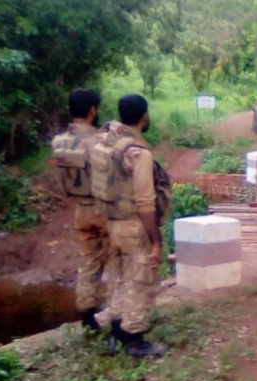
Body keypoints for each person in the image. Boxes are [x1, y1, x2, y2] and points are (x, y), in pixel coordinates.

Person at [91, 94, 171, 358]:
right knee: (141, 281)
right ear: (144, 116)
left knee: (119, 278)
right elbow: (146, 202)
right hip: (134, 225)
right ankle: (134, 339)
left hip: (111, 222)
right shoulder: (138, 153)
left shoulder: (106, 141)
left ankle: (115, 331)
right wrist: (156, 242)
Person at [50, 89, 110, 333]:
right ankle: (118, 316)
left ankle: (87, 313)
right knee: (119, 260)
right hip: (104, 209)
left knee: (89, 260)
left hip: (80, 210)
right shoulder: (100, 141)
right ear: (92, 110)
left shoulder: (58, 141)